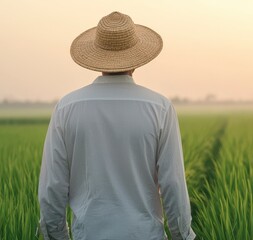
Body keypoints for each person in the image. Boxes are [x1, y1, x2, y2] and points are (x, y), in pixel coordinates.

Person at [37, 11, 195, 240]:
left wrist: (57, 237)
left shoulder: (67, 108)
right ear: (136, 59)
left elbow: (52, 187)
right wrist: (182, 236)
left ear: (97, 57)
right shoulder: (159, 108)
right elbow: (172, 184)